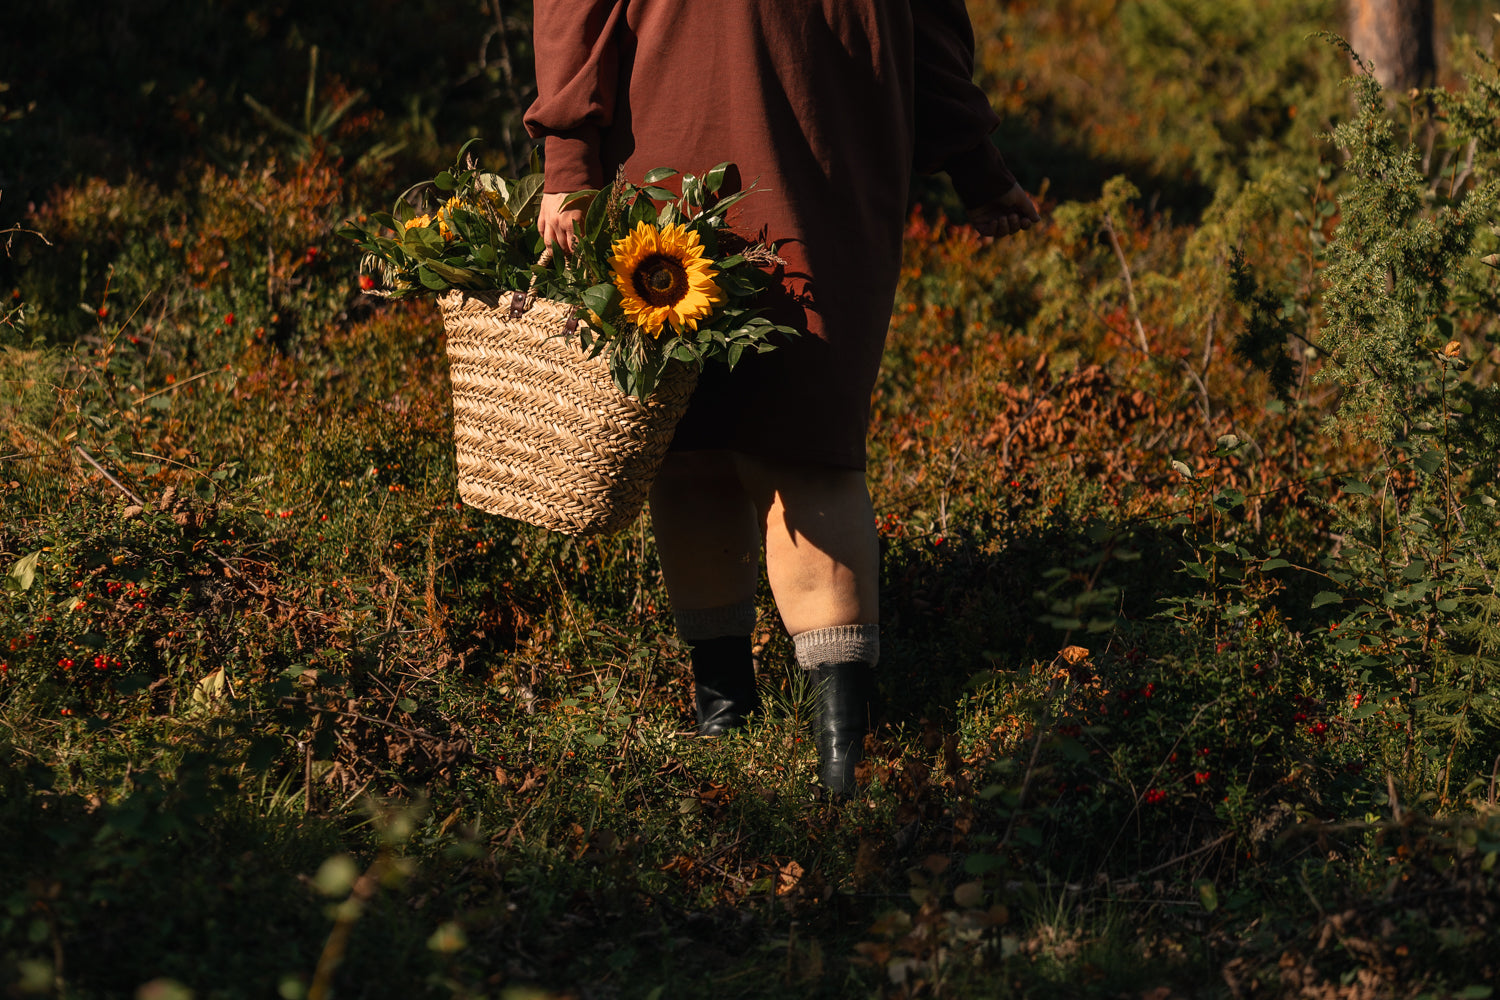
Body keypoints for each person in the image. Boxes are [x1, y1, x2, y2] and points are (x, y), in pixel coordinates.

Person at [525, 0, 1038, 796]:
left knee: (808, 436)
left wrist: (973, 156)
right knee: (688, 437)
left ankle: (838, 754)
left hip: (819, 132)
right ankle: (736, 719)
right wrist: (568, 157)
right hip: (685, 113)